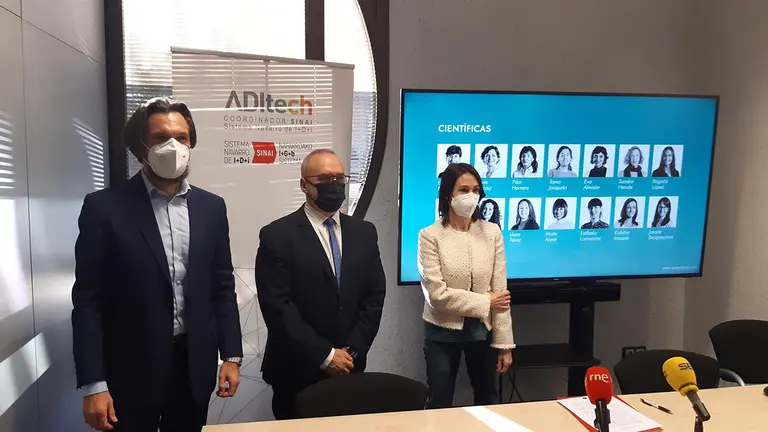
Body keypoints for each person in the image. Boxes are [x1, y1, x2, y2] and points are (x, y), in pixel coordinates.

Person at [72, 97, 242, 432]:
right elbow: (88, 301)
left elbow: (222, 285)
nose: (174, 145)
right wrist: (94, 383)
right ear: (140, 147)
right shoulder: (104, 208)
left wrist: (231, 355)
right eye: (161, 137)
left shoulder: (211, 208)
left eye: (182, 137)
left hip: (194, 367)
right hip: (129, 372)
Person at [255, 149, 386, 420]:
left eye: (340, 177)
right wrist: (326, 356)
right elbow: (277, 306)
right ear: (305, 185)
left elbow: (374, 296)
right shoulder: (277, 236)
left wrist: (351, 351)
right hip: (296, 370)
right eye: (325, 178)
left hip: (350, 367)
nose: (335, 184)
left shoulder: (364, 233)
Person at [418, 162, 515, 409]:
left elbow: (500, 296)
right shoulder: (430, 235)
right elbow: (437, 296)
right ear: (448, 194)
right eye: (463, 190)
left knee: (489, 401)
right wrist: (486, 301)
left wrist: (504, 345)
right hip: (442, 332)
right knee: (439, 402)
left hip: (482, 333)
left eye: (476, 189)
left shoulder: (492, 232)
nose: (471, 195)